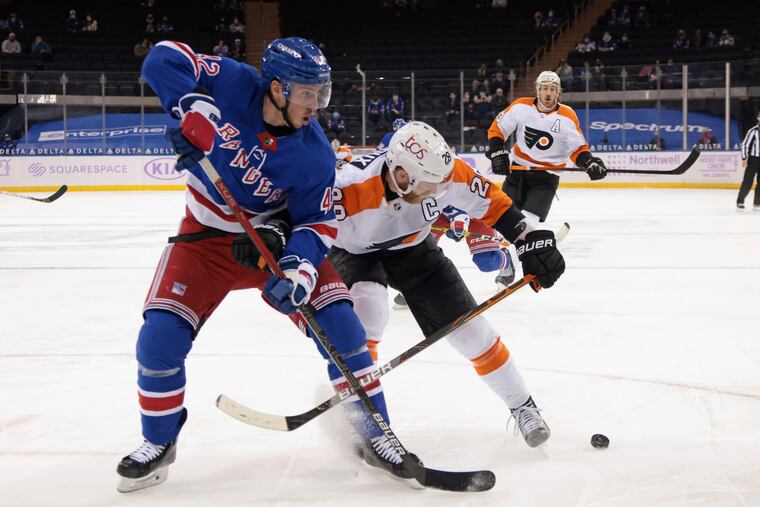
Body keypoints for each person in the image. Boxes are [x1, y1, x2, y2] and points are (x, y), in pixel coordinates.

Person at [116, 37, 416, 493]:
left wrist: (298, 271)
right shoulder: (232, 82)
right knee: (158, 339)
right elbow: (163, 55)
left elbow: (317, 221)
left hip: (270, 245)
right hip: (206, 239)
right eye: (307, 93)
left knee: (344, 330)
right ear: (277, 88)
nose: (317, 105)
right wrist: (191, 107)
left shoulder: (314, 152)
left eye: (322, 93)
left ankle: (377, 433)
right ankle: (159, 441)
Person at [328, 121, 565, 449]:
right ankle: (364, 420)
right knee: (369, 313)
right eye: (428, 185)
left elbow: (497, 207)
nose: (439, 193)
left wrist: (530, 241)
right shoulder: (347, 186)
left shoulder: (446, 173)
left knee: (471, 331)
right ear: (401, 175)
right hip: (353, 252)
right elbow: (298, 218)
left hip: (413, 249)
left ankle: (523, 405)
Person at [486, 70, 607, 231]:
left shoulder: (567, 116)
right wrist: (497, 152)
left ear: (558, 92)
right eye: (544, 88)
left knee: (527, 223)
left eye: (552, 89)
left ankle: (526, 246)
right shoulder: (521, 106)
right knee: (503, 217)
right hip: (517, 172)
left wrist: (589, 162)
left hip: (546, 178)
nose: (548, 93)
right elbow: (498, 129)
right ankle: (503, 247)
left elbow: (577, 149)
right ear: (538, 90)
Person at [737, 111, 760, 211]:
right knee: (747, 181)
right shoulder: (753, 131)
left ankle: (757, 203)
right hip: (753, 159)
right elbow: (745, 144)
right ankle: (740, 201)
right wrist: (744, 158)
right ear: (758, 118)